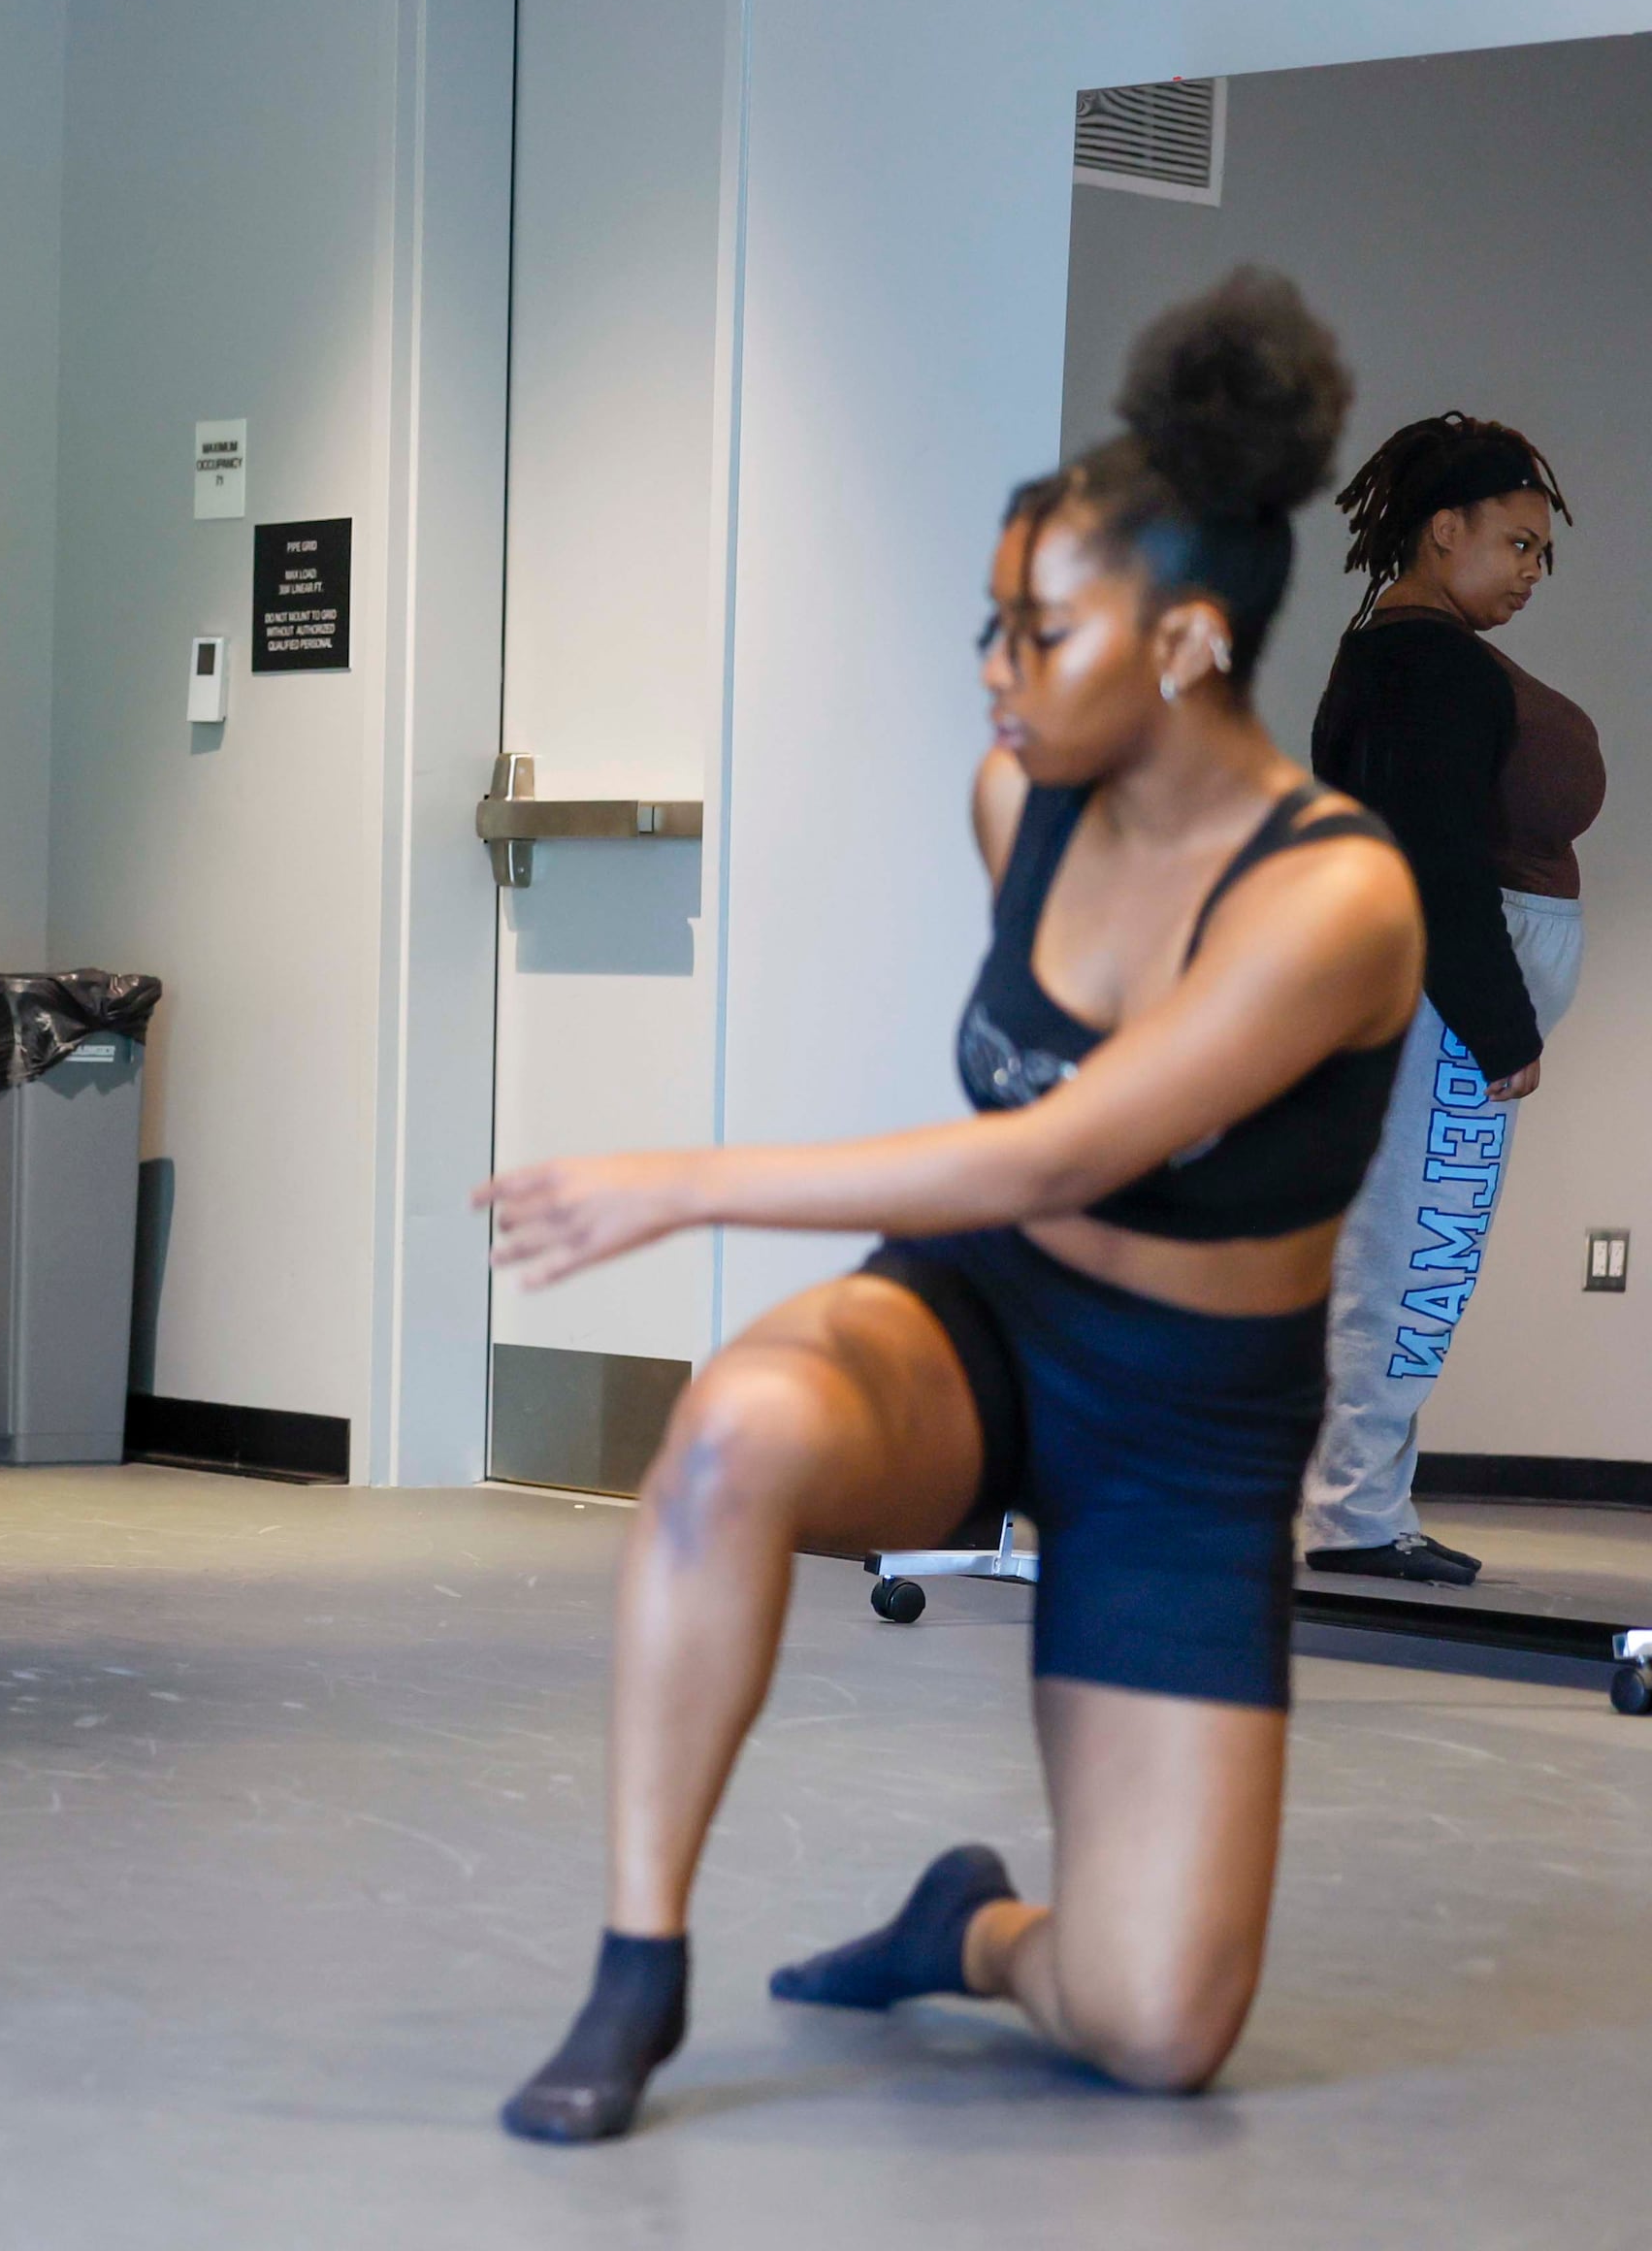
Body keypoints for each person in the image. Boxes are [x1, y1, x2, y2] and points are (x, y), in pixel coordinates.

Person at [479, 271, 1417, 2141]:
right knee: (738, 1429)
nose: (994, 670)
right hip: (985, 1324)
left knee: (1154, 2030)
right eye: (990, 623)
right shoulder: (1024, 802)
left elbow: (1059, 1145)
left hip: (1190, 1430)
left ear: (1184, 647)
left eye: (1039, 632)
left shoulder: (1336, 902)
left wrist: (686, 1182)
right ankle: (634, 1970)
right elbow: (1015, 1208)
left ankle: (965, 1927)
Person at [1302, 415, 1596, 1585]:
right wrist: (1503, 1025)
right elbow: (1430, 860)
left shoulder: (1405, 652)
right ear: (1444, 529)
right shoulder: (1425, 662)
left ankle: (1364, 1505)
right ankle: (1358, 1518)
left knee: (1411, 1250)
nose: (1531, 569)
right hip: (1446, 1005)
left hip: (1436, 999)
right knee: (1416, 1255)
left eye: (1541, 552)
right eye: (1517, 543)